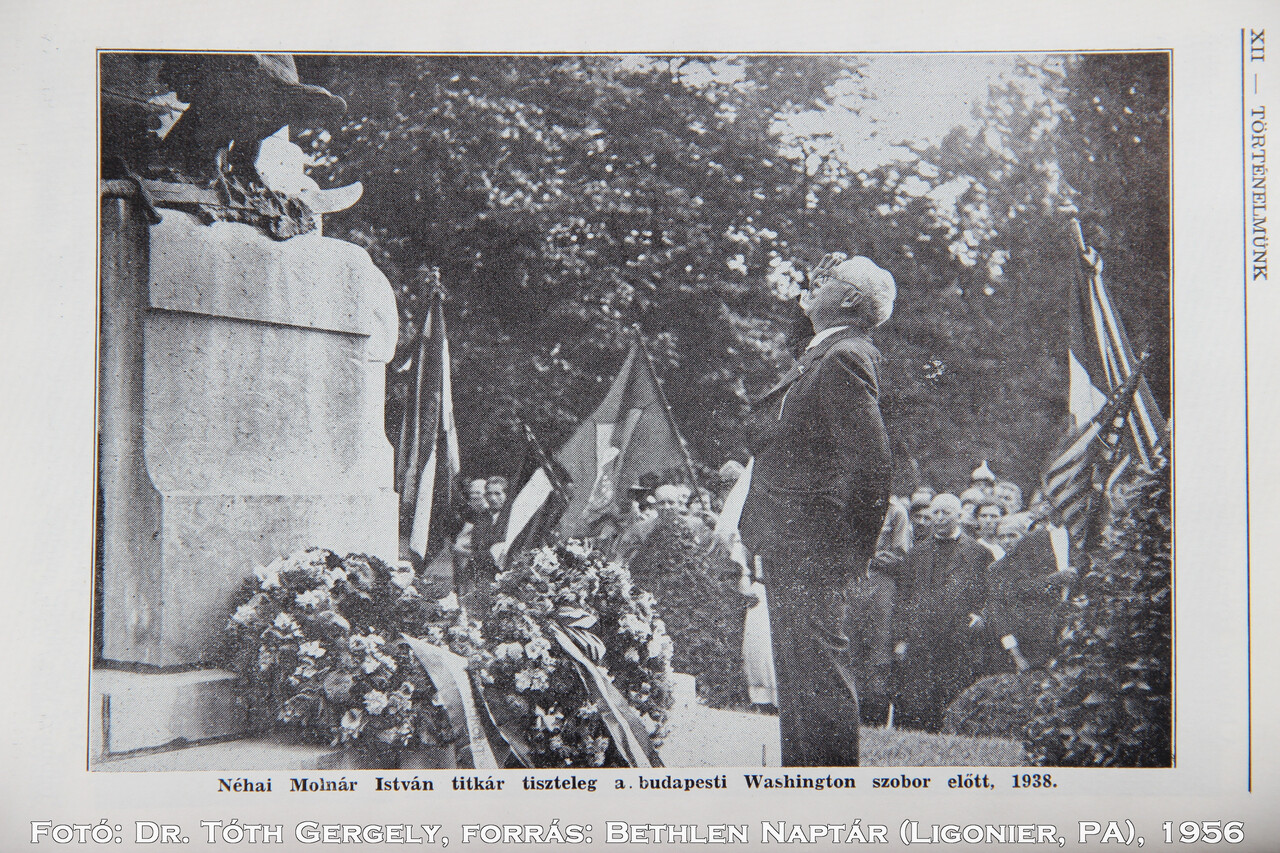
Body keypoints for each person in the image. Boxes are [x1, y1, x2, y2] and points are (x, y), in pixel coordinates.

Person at [739, 253, 895, 766]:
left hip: (814, 548)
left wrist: (850, 554)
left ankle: (829, 788)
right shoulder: (826, 351)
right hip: (796, 542)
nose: (814, 283)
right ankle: (804, 782)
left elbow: (872, 466)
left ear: (848, 300)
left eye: (827, 280)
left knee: (816, 675)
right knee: (800, 676)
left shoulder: (845, 356)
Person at [890, 493, 991, 732]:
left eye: (946, 512)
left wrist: (981, 616)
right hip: (922, 639)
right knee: (916, 704)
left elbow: (990, 594)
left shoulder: (979, 553)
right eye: (935, 512)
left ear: (960, 516)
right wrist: (900, 639)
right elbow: (903, 599)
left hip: (959, 638)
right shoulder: (916, 554)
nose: (940, 518)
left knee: (953, 700)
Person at [738, 557, 778, 708]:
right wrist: (746, 590)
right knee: (759, 645)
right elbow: (742, 565)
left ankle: (781, 698)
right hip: (760, 593)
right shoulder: (752, 546)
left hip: (781, 593)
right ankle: (762, 699)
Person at [973, 498, 1006, 562]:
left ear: (1002, 519)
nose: (988, 521)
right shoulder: (973, 547)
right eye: (983, 516)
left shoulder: (1007, 547)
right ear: (977, 519)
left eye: (994, 516)